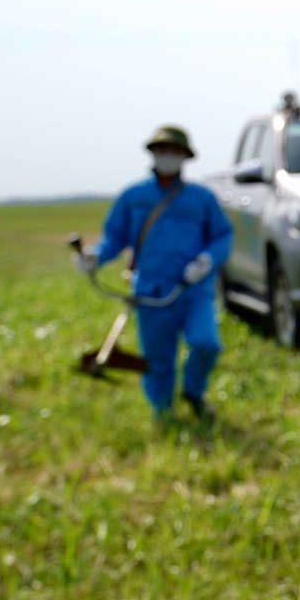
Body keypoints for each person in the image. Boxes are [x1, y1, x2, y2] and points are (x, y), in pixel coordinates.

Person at [76, 125, 234, 422]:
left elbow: (222, 236)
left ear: (185, 157)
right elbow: (114, 237)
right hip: (150, 290)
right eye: (162, 150)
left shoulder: (201, 198)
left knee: (206, 343)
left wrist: (207, 260)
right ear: (153, 153)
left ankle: (193, 392)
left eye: (174, 151)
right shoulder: (133, 196)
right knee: (159, 359)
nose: (168, 156)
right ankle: (163, 414)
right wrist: (95, 257)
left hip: (193, 289)